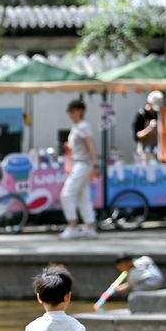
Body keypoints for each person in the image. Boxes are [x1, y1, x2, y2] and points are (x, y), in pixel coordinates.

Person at [60, 100, 99, 240]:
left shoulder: (83, 126)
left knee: (67, 194)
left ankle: (72, 225)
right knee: (83, 196)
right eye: (70, 111)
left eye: (73, 111)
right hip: (78, 163)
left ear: (80, 111)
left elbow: (90, 145)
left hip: (83, 164)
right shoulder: (76, 126)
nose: (70, 114)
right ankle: (90, 226)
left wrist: (95, 164)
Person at [133, 91, 164, 161]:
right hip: (144, 153)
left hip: (157, 151)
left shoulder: (157, 114)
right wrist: (150, 128)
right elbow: (137, 136)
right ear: (149, 103)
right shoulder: (141, 115)